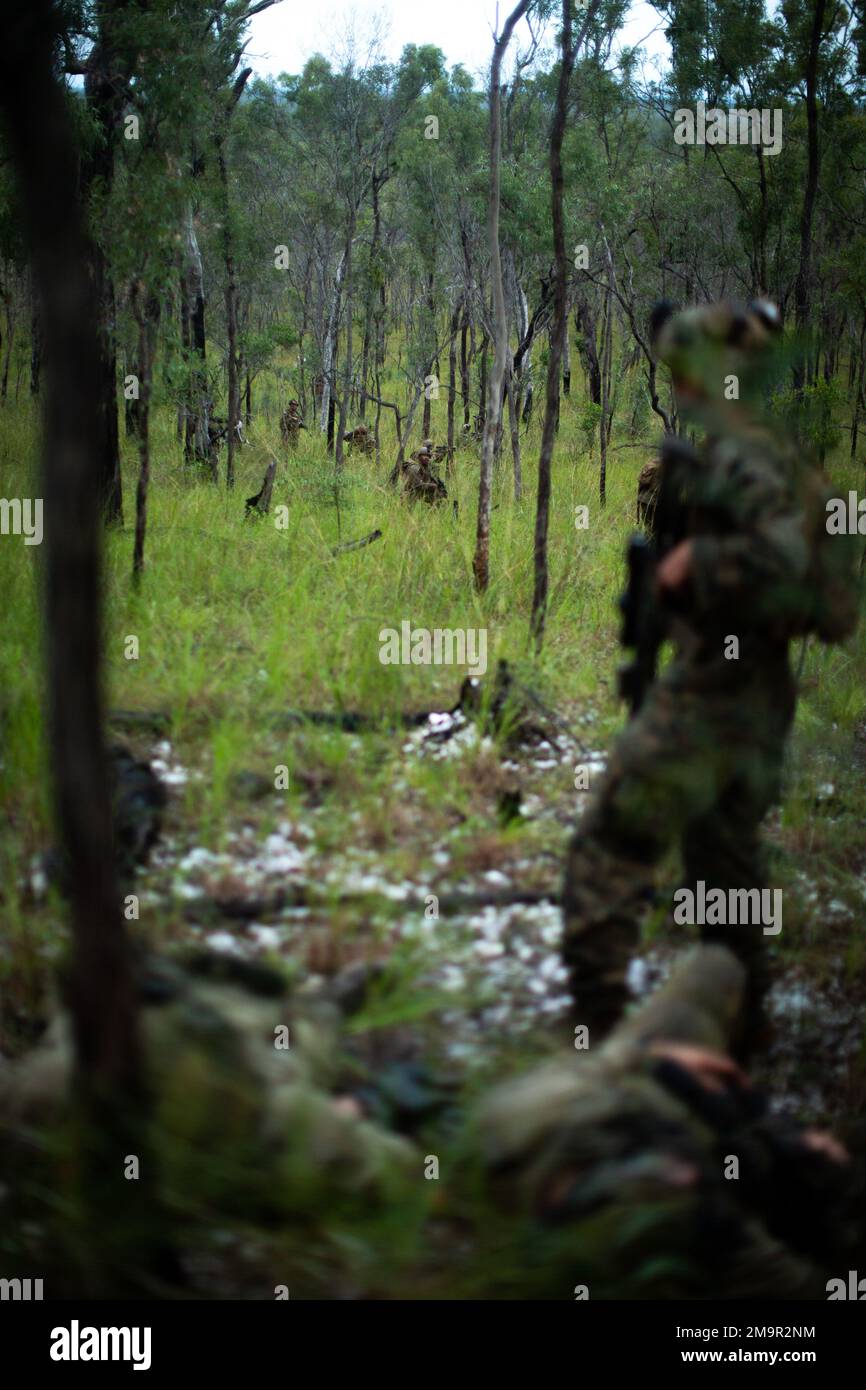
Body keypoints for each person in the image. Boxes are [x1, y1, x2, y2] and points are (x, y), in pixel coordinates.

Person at [561, 299, 859, 1046]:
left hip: (719, 694)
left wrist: (703, 564)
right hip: (755, 695)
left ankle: (599, 1035)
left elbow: (796, 564)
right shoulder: (763, 453)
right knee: (723, 872)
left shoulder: (747, 460)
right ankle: (743, 1040)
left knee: (609, 842)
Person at [474, 945, 859, 1299]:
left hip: (657, 1086)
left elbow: (510, 1107)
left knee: (715, 962)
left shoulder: (520, 1141)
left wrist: (642, 1055)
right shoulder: (719, 1233)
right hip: (743, 1152)